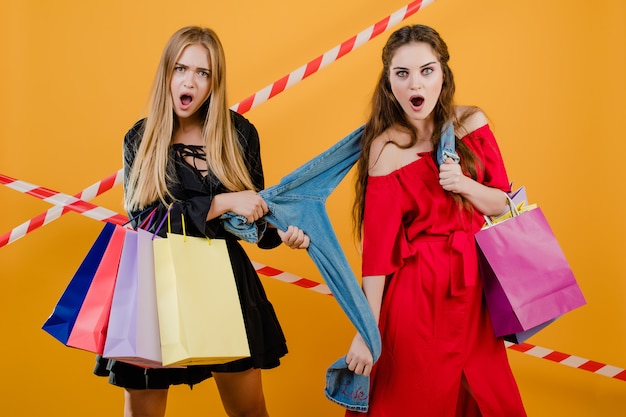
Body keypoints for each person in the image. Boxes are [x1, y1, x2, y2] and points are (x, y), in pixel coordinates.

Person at [94, 26, 309, 417]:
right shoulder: (140, 138)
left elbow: (251, 222)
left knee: (249, 411)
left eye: (202, 73)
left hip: (223, 284)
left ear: (214, 82)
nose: (189, 80)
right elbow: (147, 221)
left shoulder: (238, 134)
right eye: (181, 69)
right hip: (153, 288)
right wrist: (223, 200)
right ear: (167, 74)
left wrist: (284, 232)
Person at [343, 24, 527, 416]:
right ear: (388, 81)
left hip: (473, 291)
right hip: (417, 297)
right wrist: (366, 331)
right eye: (402, 73)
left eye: (427, 70)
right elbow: (376, 258)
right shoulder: (385, 148)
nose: (416, 84)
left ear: (443, 73)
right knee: (414, 399)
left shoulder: (471, 124)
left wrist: (462, 184)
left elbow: (504, 205)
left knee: (489, 399)